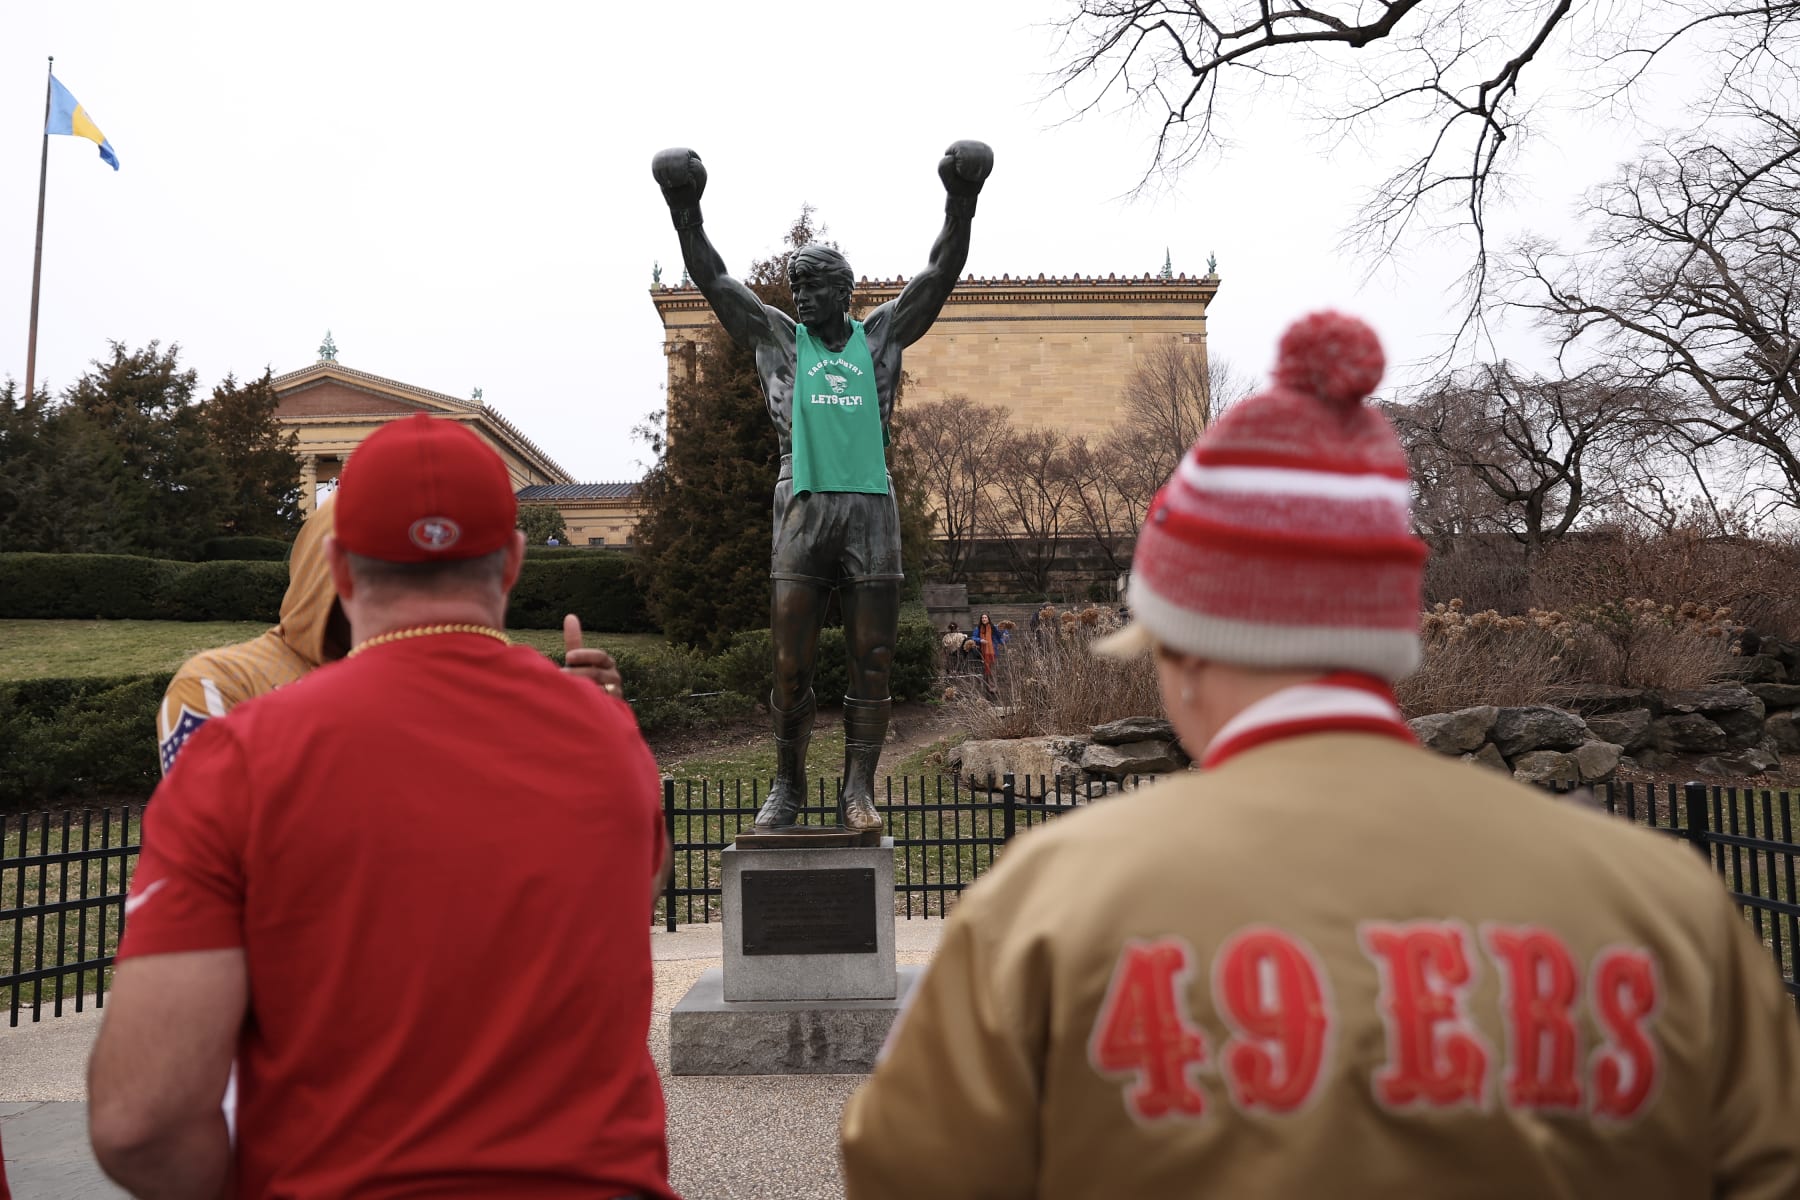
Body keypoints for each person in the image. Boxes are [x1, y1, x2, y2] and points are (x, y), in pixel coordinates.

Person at [839, 313, 1800, 1198]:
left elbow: (907, 1172)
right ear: (1392, 636)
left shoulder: (1045, 908)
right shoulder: (1670, 911)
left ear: (1180, 648)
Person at [90, 413, 676, 1200]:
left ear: (335, 565)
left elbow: (141, 1120)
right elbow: (625, 910)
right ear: (512, 562)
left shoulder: (241, 758)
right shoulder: (612, 740)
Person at [652, 139, 993, 832]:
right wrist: (685, 209)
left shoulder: (880, 338)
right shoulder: (778, 340)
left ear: (845, 291)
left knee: (872, 657)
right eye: (795, 287)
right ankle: (788, 785)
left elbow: (941, 271)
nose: (800, 297)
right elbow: (716, 281)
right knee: (788, 663)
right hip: (800, 503)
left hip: (871, 507)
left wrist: (961, 198)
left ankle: (858, 791)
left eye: (813, 287)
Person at [157, 498, 623, 774]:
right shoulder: (219, 683)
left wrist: (593, 743)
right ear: (332, 572)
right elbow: (215, 862)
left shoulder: (459, 684)